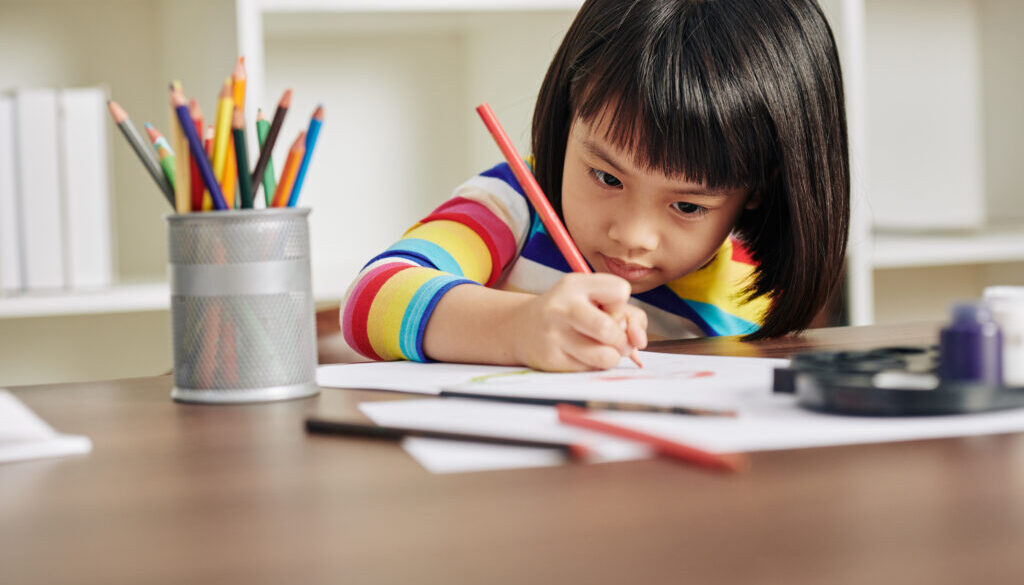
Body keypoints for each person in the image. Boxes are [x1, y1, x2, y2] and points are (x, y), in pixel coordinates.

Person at [339, 0, 849, 372]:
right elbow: (371, 299)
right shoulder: (513, 204)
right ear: (568, 114)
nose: (633, 234)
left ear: (759, 189)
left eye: (688, 206)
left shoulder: (749, 293)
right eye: (606, 176)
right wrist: (519, 329)